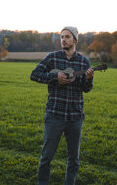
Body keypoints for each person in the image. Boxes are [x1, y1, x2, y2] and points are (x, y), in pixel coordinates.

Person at [30, 26, 94, 185]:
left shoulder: (84, 61)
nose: (63, 40)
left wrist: (88, 79)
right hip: (55, 115)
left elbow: (86, 89)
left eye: (67, 37)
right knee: (46, 158)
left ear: (75, 40)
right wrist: (53, 77)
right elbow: (34, 75)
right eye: (61, 37)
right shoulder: (52, 58)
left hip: (75, 117)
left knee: (74, 159)